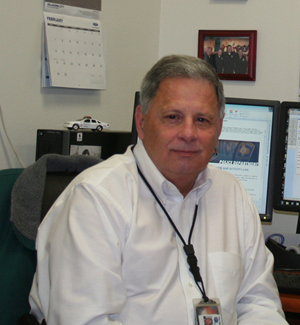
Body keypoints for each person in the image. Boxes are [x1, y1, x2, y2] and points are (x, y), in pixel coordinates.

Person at [29, 55, 288, 325]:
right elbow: (83, 320)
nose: (189, 133)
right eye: (173, 117)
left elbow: (258, 303)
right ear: (141, 122)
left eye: (202, 120)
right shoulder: (95, 198)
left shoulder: (232, 194)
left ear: (219, 128)